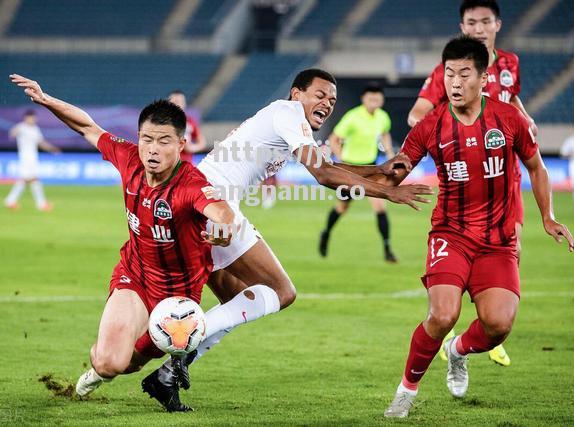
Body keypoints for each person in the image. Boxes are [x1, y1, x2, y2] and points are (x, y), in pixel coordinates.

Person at [149, 69, 433, 409]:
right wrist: (389, 193)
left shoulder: (284, 121)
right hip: (214, 203)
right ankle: (177, 333)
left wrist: (380, 170)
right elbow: (324, 175)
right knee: (282, 292)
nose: (327, 104)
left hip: (197, 205)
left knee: (240, 302)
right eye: (320, 95)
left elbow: (326, 164)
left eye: (332, 100)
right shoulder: (287, 113)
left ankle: (167, 375)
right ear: (297, 94)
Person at [9, 74, 237, 412]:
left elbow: (221, 212)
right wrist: (46, 100)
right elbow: (88, 127)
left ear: (181, 143)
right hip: (135, 274)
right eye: (147, 139)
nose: (153, 149)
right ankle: (100, 360)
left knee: (130, 365)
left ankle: (112, 354)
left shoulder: (191, 183)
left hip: (177, 301)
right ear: (138, 138)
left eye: (163, 141)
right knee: (109, 365)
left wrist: (222, 229)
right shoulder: (128, 157)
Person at [383, 36, 574, 418]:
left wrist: (547, 216)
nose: (454, 82)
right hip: (451, 235)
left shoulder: (508, 118)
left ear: (483, 78)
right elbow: (396, 168)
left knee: (498, 325)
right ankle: (405, 392)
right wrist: (345, 174)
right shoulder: (431, 125)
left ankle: (457, 352)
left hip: (497, 242)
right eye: (448, 74)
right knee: (442, 315)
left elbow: (536, 167)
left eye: (464, 74)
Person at [407, 0, 535, 366]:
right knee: (461, 253)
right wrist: (440, 130)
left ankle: (489, 328)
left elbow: (512, 99)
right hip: (466, 179)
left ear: (498, 24)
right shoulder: (450, 72)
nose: (478, 28)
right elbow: (418, 111)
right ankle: (451, 322)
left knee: (512, 246)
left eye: (484, 21)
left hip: (505, 175)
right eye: (470, 22)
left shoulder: (510, 64)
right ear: (462, 26)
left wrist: (526, 119)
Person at [318, 84, 398, 262]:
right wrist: (340, 160)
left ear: (382, 100)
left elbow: (385, 134)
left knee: (380, 206)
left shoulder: (382, 117)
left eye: (377, 99)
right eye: (371, 98)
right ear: (364, 99)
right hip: (351, 169)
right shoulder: (353, 117)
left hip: (371, 168)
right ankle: (326, 233)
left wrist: (390, 154)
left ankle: (387, 249)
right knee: (342, 208)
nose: (374, 102)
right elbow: (334, 138)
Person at [4, 109, 60, 211]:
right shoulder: (21, 127)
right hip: (25, 157)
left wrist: (52, 149)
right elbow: (12, 133)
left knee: (27, 180)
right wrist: (14, 132)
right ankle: (41, 204)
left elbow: (41, 142)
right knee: (31, 179)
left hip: (33, 157)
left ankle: (11, 201)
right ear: (26, 118)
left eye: (33, 118)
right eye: (30, 118)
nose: (32, 120)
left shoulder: (35, 129)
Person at [168, 89, 207, 164]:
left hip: (186, 165)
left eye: (180, 101)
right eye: (175, 102)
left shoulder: (190, 122)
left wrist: (192, 148)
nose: (177, 104)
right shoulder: (161, 123)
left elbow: (202, 142)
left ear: (184, 103)